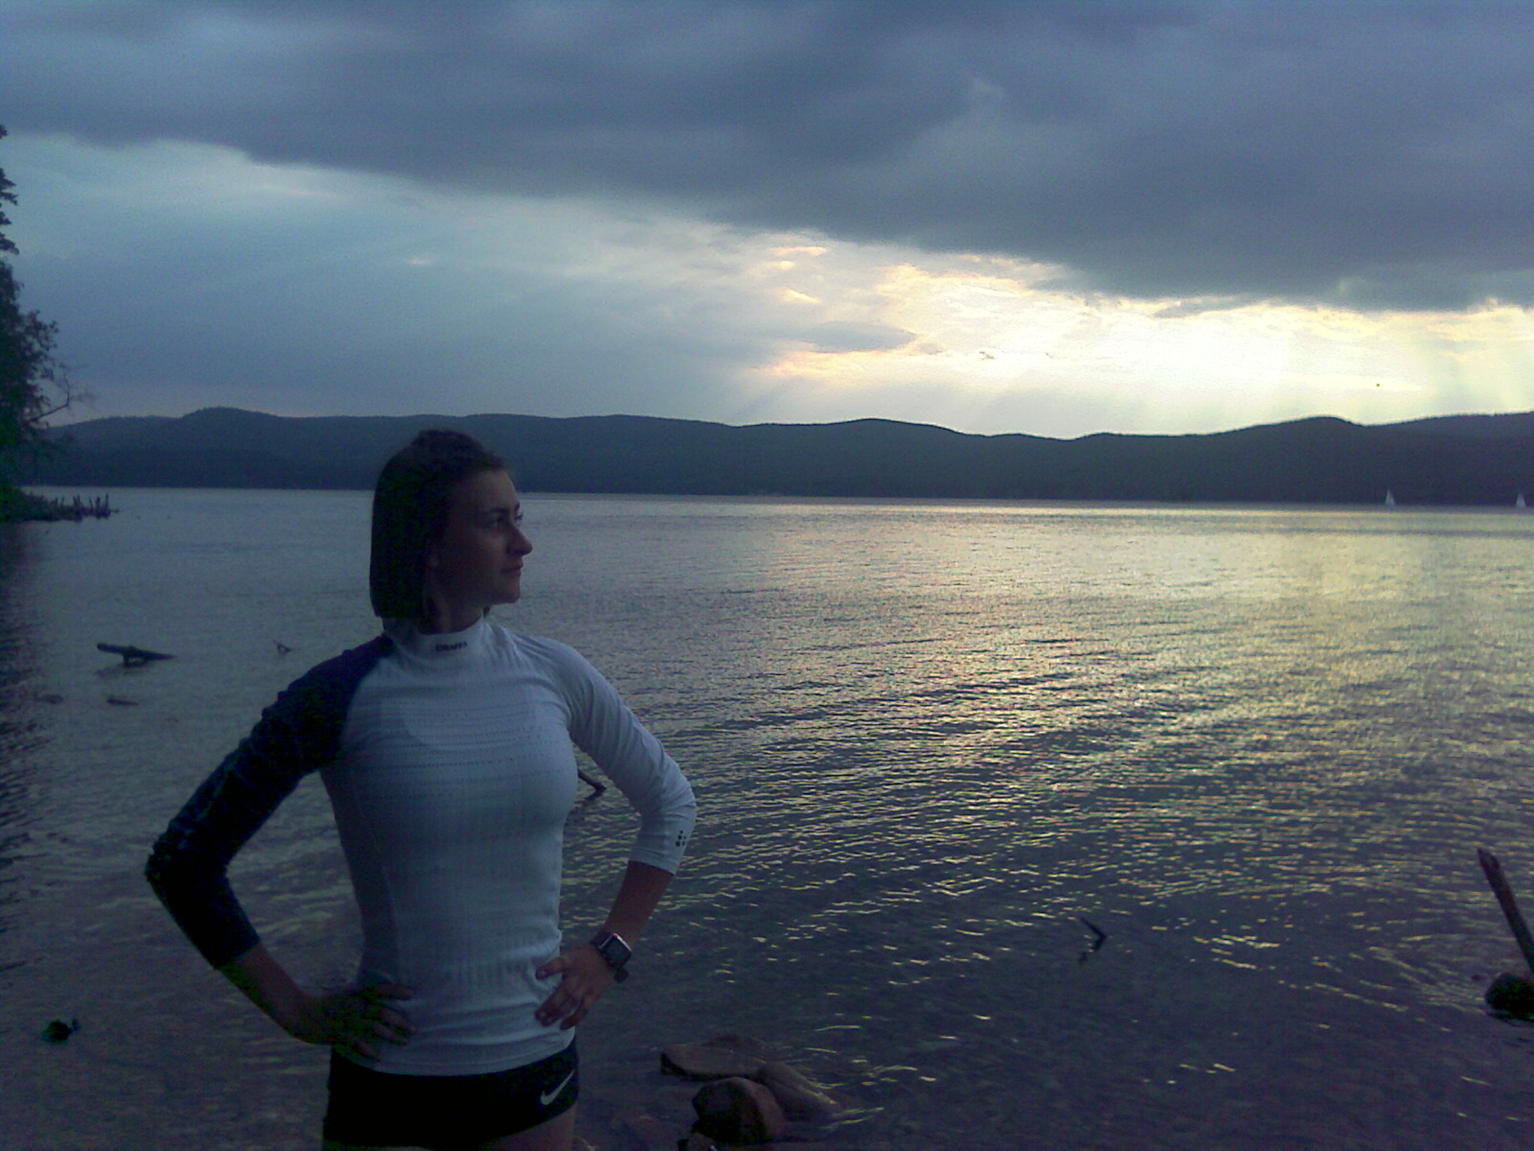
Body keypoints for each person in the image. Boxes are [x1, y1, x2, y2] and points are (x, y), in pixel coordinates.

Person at [146, 429, 696, 1151]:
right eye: (495, 522)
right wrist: (295, 1010)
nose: (523, 543)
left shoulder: (555, 673)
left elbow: (670, 803)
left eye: (518, 517)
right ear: (429, 545)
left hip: (534, 1061)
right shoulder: (339, 695)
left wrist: (609, 948)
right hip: (394, 1076)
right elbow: (184, 861)